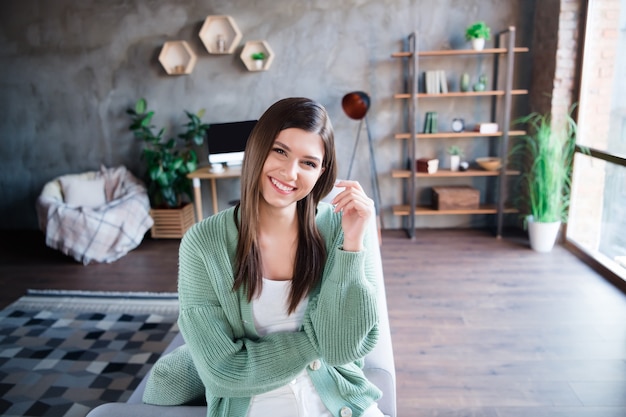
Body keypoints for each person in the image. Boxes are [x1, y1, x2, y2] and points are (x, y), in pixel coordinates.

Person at [143, 97, 384, 417]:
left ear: (321, 173)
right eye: (280, 151)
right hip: (255, 403)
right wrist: (316, 343)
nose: (290, 172)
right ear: (257, 147)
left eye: (308, 163)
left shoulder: (344, 229)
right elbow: (223, 372)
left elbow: (342, 350)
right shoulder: (202, 244)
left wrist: (352, 244)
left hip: (338, 398)